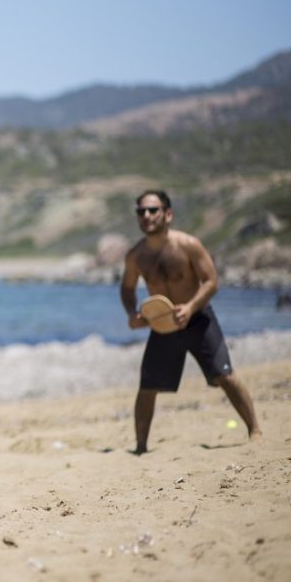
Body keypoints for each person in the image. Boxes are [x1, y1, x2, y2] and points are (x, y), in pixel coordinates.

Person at [120, 190, 261, 455]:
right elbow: (127, 289)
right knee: (147, 387)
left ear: (168, 214)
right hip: (162, 325)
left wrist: (191, 306)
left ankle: (254, 429)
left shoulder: (188, 245)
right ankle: (140, 447)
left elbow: (211, 281)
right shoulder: (136, 256)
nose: (147, 216)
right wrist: (132, 313)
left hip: (198, 320)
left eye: (153, 210)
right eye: (141, 212)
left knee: (225, 375)